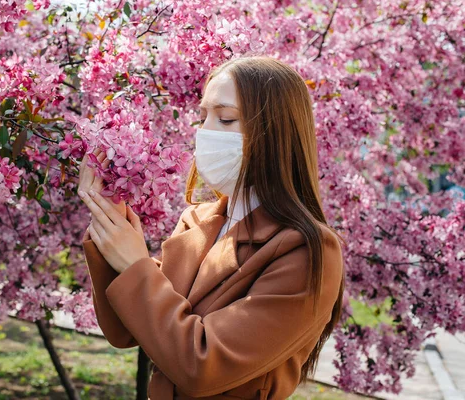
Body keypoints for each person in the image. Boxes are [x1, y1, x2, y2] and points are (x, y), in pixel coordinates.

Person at [77, 55, 346, 400]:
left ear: (276, 132)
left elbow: (201, 366)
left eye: (227, 118)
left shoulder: (307, 250)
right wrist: (107, 219)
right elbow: (126, 331)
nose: (206, 133)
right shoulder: (197, 221)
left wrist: (134, 265)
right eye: (203, 117)